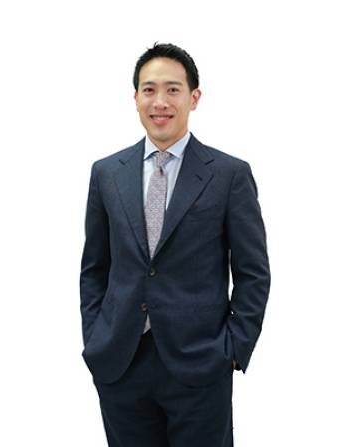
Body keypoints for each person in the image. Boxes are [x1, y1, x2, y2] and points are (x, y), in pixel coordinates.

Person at [79, 42, 271, 447]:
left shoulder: (229, 175)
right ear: (135, 98)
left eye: (173, 89)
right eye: (149, 90)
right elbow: (95, 267)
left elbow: (253, 273)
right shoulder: (107, 173)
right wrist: (95, 338)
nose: (160, 102)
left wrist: (234, 349)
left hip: (200, 364)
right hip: (121, 362)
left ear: (194, 98)